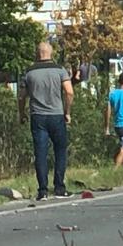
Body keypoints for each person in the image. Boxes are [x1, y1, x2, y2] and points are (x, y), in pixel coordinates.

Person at [18, 42, 74, 201]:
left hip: (38, 116)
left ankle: (42, 191)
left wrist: (21, 113)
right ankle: (59, 187)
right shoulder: (59, 70)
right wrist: (67, 112)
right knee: (60, 151)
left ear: (37, 53)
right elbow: (69, 92)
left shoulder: (29, 72)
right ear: (51, 53)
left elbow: (22, 96)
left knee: (40, 153)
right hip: (57, 115)